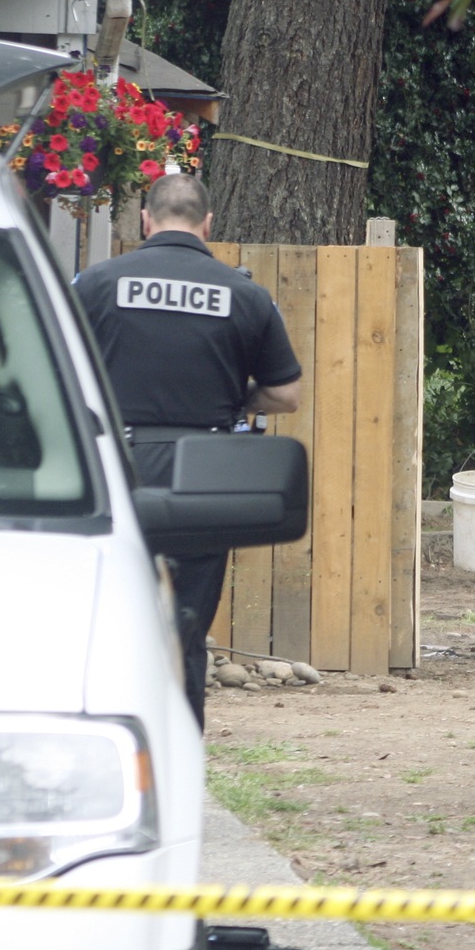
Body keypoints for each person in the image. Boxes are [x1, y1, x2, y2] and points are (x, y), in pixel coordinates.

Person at [74, 174, 302, 726]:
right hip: (204, 474)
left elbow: (61, 373)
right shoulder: (245, 294)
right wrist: (234, 397)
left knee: (103, 612)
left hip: (114, 469)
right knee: (185, 624)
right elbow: (284, 394)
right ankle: (178, 745)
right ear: (207, 225)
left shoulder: (94, 283)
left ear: (147, 221)